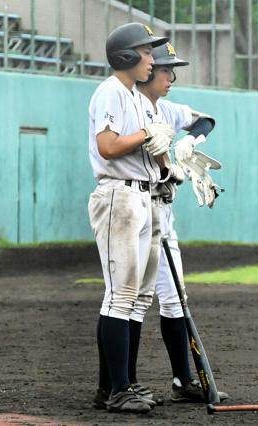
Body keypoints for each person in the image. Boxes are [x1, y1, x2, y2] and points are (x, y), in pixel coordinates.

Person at [87, 22, 173, 414]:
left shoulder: (135, 96)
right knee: (119, 296)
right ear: (126, 56)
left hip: (142, 197)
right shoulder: (110, 91)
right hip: (117, 198)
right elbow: (108, 147)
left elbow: (148, 143)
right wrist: (145, 135)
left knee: (138, 298)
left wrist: (169, 170)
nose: (152, 59)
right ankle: (117, 388)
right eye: (146, 51)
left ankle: (122, 385)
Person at [137, 42, 228, 403]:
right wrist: (168, 170)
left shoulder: (170, 109)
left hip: (164, 214)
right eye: (165, 71)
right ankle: (121, 384)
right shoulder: (131, 108)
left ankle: (182, 381)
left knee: (175, 298)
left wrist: (191, 140)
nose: (172, 77)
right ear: (146, 72)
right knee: (131, 301)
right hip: (136, 210)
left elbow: (206, 120)